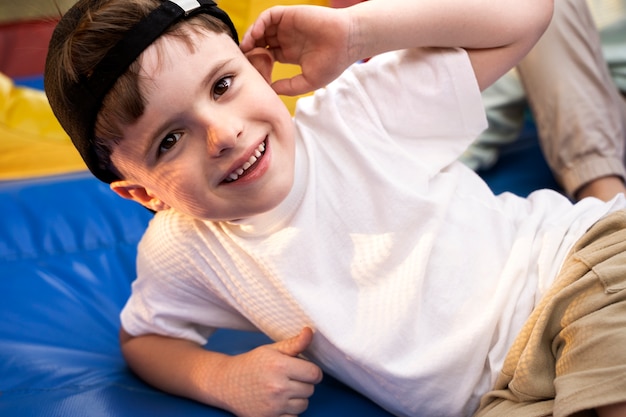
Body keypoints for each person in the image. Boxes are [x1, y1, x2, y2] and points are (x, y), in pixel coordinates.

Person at [42, 0, 626, 416]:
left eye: (222, 85)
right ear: (145, 194)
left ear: (260, 68)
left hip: (577, 275)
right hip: (501, 397)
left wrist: (358, 32)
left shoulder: (358, 114)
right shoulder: (185, 247)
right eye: (170, 141)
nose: (221, 134)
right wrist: (219, 377)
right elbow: (143, 339)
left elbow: (528, 12)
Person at [460, 0, 626, 202]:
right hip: (599, 123)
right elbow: (500, 90)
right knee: (539, 10)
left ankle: (606, 199)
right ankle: (605, 193)